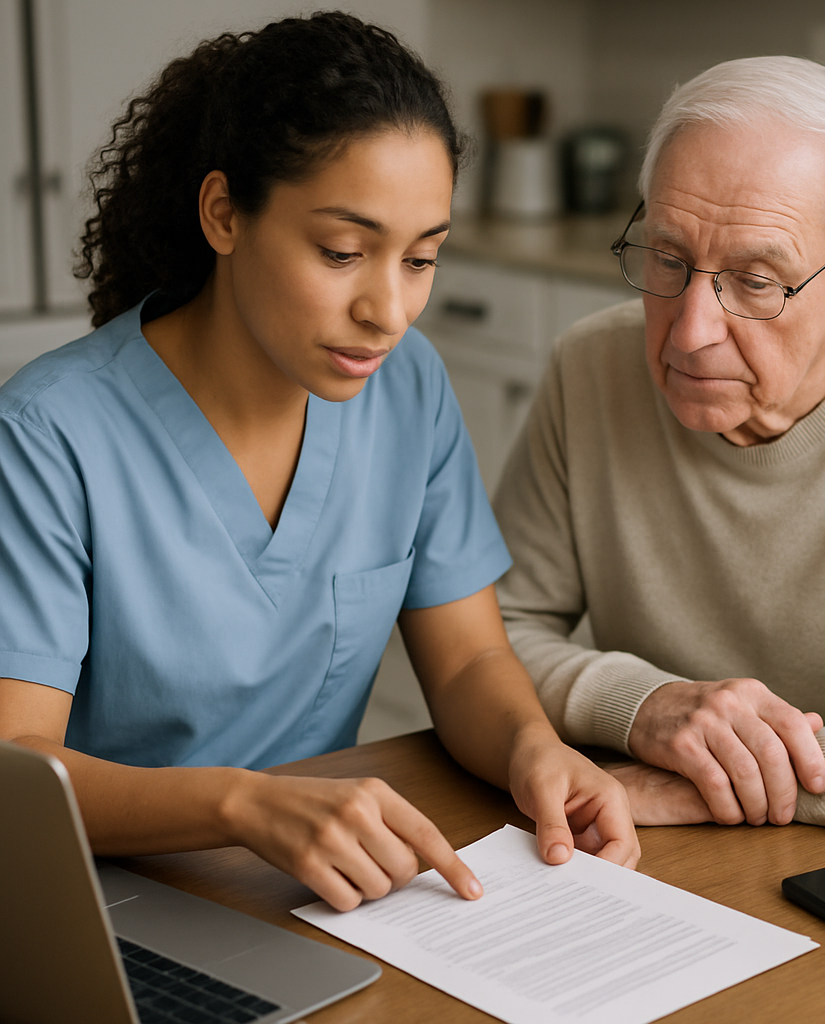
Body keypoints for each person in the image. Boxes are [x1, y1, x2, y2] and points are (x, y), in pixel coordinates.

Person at [0, 12, 639, 913]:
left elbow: (464, 665)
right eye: (343, 252)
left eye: (422, 259)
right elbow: (16, 768)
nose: (389, 310)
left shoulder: (408, 386)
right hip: (110, 903)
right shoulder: (48, 434)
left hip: (330, 897)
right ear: (224, 214)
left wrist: (535, 748)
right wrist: (243, 804)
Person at [493, 55, 825, 837]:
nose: (693, 331)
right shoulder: (590, 367)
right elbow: (486, 638)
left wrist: (722, 783)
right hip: (648, 856)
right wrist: (642, 706)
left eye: (756, 280)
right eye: (668, 259)